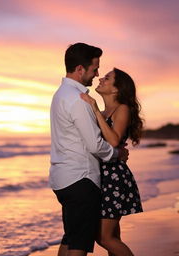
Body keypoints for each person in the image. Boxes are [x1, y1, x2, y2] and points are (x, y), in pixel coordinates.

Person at [49, 43, 128, 256]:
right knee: (79, 244)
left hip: (62, 178)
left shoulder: (60, 94)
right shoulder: (78, 99)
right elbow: (95, 144)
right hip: (80, 178)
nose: (97, 74)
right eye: (95, 69)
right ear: (80, 69)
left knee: (71, 236)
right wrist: (117, 154)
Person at [80, 68, 143, 256]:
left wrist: (94, 110)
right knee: (113, 236)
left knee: (104, 237)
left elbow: (114, 140)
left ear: (116, 89)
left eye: (107, 78)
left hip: (114, 177)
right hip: (104, 176)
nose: (101, 78)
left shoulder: (121, 108)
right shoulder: (104, 111)